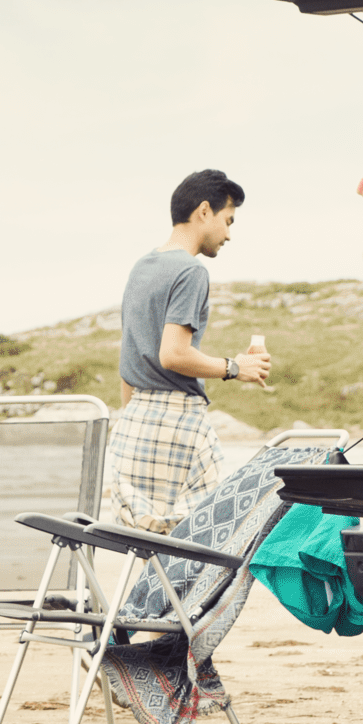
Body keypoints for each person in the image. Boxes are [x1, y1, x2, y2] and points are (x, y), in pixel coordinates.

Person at [111, 169, 272, 531]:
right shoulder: (190, 271)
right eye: (228, 221)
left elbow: (129, 357)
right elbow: (173, 354)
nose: (229, 234)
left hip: (133, 424)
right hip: (177, 425)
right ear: (203, 211)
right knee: (210, 534)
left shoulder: (142, 267)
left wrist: (131, 418)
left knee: (148, 542)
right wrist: (235, 367)